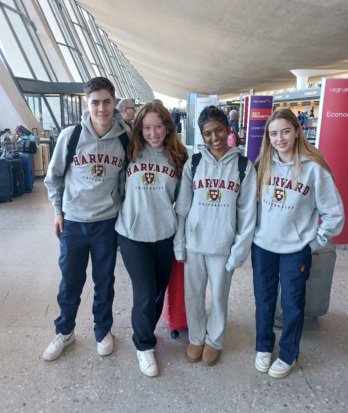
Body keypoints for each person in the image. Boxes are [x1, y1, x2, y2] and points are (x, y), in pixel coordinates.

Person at [252, 109, 344, 379]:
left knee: (292, 304)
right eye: (273, 133)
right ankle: (264, 345)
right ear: (268, 137)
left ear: (296, 131)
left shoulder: (314, 169)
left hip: (295, 250)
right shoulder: (262, 165)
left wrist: (313, 242)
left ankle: (289, 353)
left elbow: (334, 214)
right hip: (263, 247)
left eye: (285, 131)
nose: (279, 138)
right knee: (264, 300)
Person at [43, 77, 130, 361]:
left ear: (114, 103)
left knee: (104, 281)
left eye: (106, 102)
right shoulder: (71, 136)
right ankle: (65, 331)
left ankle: (103, 330)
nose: (101, 108)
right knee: (70, 281)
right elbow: (53, 178)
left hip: (106, 223)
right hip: (74, 223)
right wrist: (58, 211)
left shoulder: (124, 138)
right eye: (95, 102)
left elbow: (126, 182)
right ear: (86, 103)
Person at [174, 106, 257, 366]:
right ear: (202, 135)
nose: (214, 137)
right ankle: (197, 337)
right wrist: (180, 245)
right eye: (208, 133)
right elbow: (182, 208)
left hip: (223, 245)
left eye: (219, 129)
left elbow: (247, 214)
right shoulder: (195, 162)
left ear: (228, 129)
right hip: (195, 243)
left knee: (219, 296)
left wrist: (239, 252)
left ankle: (215, 340)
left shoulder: (244, 166)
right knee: (193, 295)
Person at [115, 101, 188, 377]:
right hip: (133, 235)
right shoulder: (130, 152)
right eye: (147, 127)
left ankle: (146, 331)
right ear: (139, 129)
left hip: (163, 235)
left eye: (158, 126)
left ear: (168, 127)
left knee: (157, 291)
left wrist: (179, 240)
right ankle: (143, 345)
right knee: (144, 293)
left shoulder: (179, 157)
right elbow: (118, 190)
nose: (153, 133)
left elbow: (182, 204)